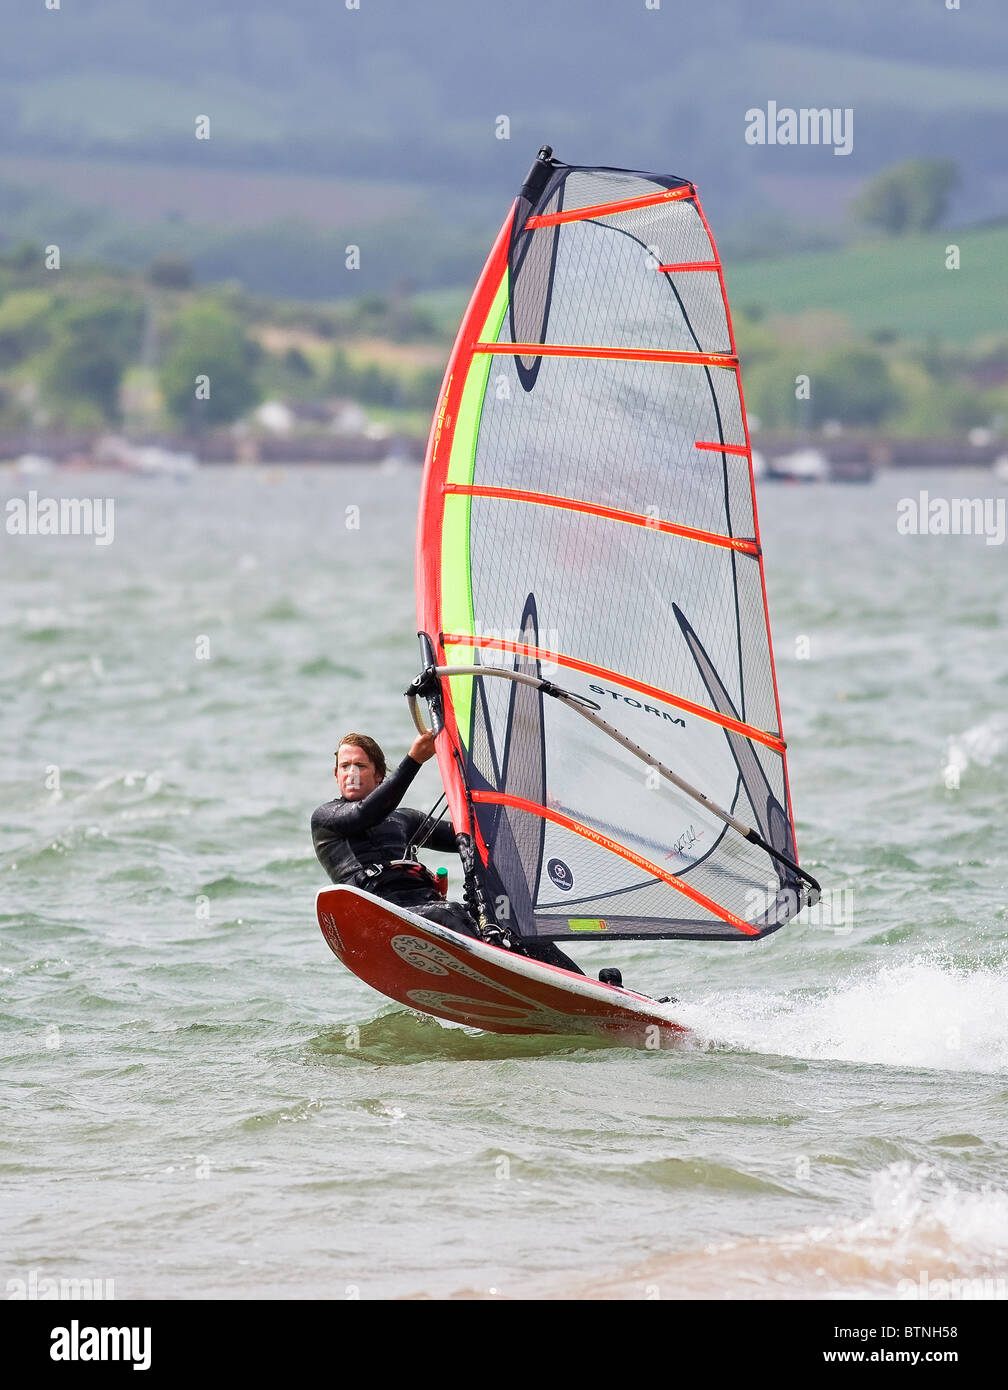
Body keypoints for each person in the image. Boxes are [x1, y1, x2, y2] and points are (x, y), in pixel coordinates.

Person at [311, 730, 585, 974]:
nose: (351, 773)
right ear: (336, 775)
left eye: (360, 765)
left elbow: (471, 836)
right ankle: (496, 972)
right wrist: (414, 761)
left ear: (379, 775)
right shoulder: (326, 819)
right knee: (449, 913)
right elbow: (365, 814)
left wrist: (527, 808)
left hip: (427, 913)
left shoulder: (403, 820)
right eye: (344, 766)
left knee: (509, 923)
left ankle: (583, 986)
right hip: (385, 918)